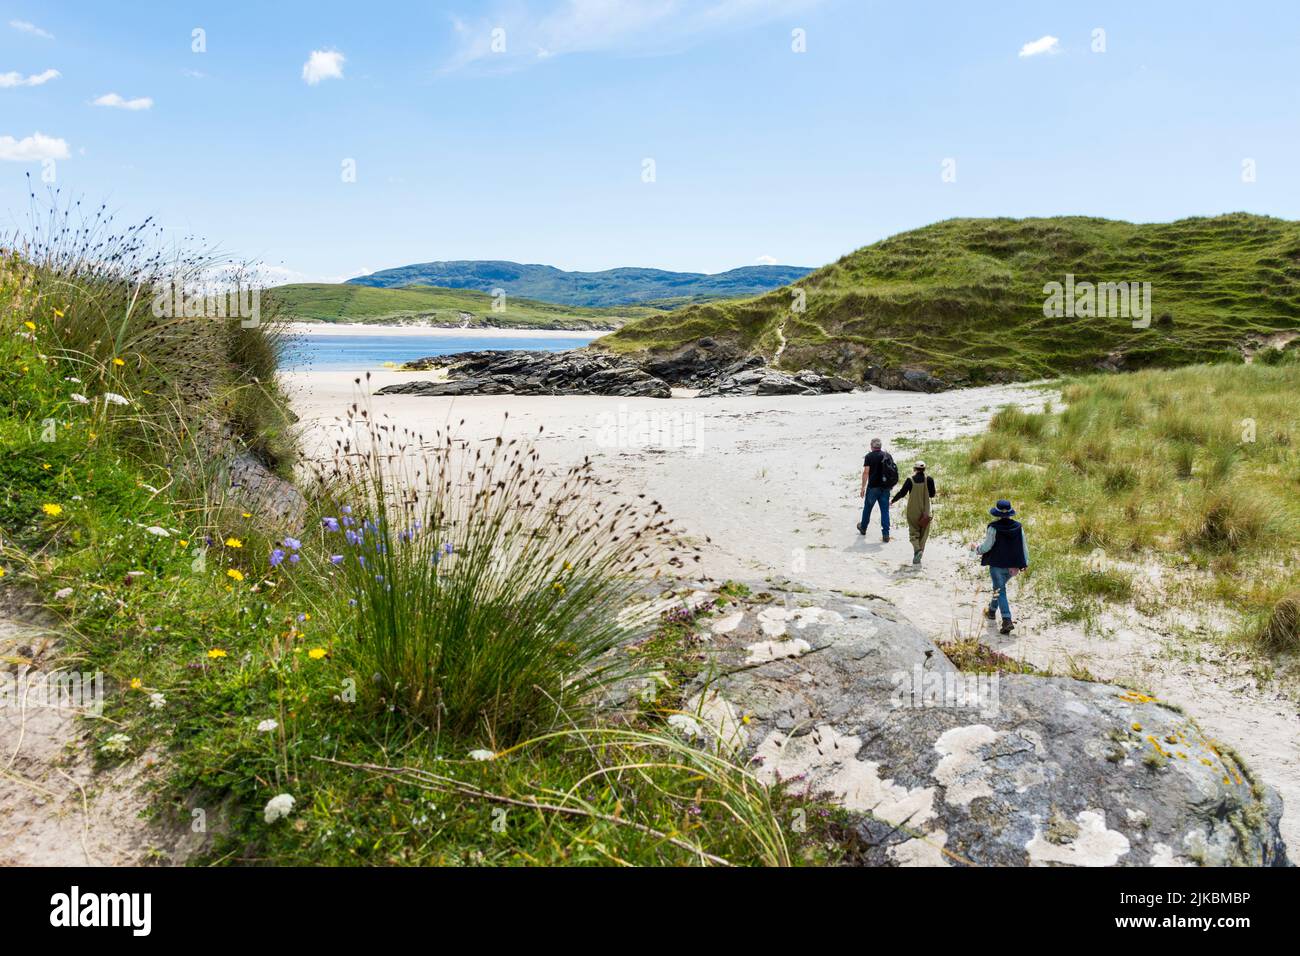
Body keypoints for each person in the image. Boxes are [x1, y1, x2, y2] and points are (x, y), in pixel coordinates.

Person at [970, 499, 1029, 634]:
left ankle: (1007, 620)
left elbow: (987, 546)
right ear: (1010, 513)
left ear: (996, 514)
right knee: (999, 588)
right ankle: (991, 611)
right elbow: (1023, 546)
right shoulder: (1018, 527)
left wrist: (976, 549)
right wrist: (1025, 562)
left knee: (1000, 590)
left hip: (997, 565)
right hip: (1013, 567)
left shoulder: (993, 527)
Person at [891, 462, 935, 564]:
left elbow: (902, 493)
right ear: (924, 469)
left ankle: (917, 550)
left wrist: (893, 500)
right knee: (924, 534)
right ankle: (919, 554)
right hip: (925, 511)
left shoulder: (910, 480)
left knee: (913, 533)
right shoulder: (929, 479)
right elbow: (932, 495)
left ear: (914, 469)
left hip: (913, 510)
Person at [857, 438, 897, 542]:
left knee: (867, 509)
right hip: (885, 488)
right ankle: (886, 534)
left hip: (873, 488)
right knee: (885, 511)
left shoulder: (869, 456)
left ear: (871, 446)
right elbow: (892, 471)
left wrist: (862, 487)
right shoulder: (887, 455)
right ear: (880, 446)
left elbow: (866, 472)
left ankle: (863, 528)